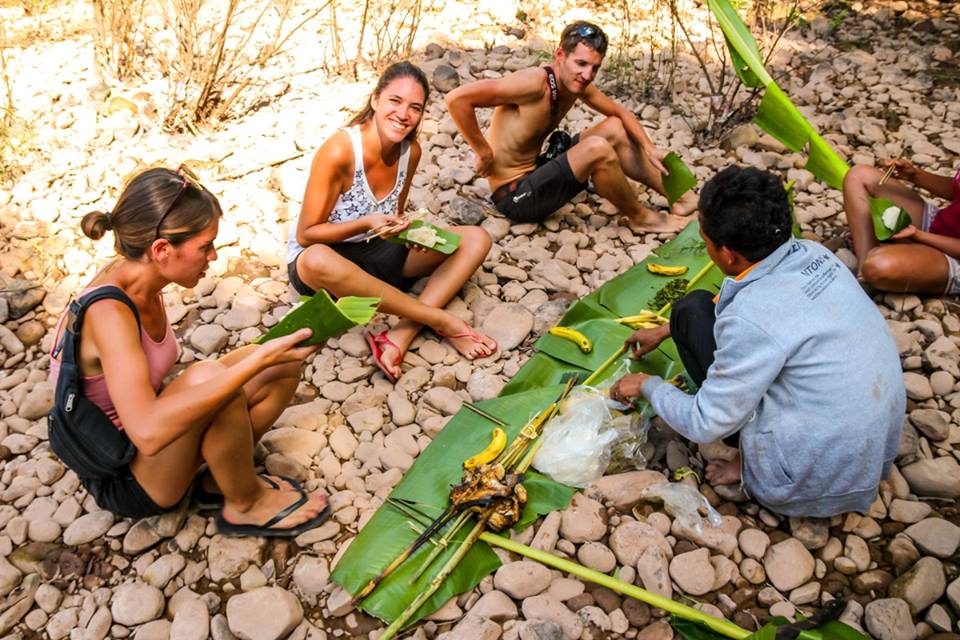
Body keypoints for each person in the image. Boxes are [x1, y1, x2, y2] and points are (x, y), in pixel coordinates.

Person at [609, 166, 905, 517]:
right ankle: (760, 457)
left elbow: (704, 423)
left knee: (702, 333)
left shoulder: (750, 318)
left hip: (803, 485)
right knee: (693, 310)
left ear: (728, 254)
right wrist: (665, 330)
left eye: (705, 242)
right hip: (867, 461)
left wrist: (647, 385)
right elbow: (774, 314)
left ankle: (752, 469)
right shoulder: (816, 255)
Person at [50, 166, 330, 536]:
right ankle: (246, 504)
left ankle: (220, 479)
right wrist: (253, 361)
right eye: (205, 246)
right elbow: (148, 432)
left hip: (148, 442)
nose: (213, 256)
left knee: (275, 366)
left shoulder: (137, 272)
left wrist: (265, 355)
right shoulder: (110, 314)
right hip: (127, 475)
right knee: (221, 378)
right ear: (162, 249)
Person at [288, 61, 497, 381]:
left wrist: (407, 233)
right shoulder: (341, 150)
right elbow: (306, 235)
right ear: (375, 100)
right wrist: (365, 223)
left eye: (415, 108)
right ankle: (437, 319)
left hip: (375, 251)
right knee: (316, 259)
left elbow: (393, 217)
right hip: (327, 262)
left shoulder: (410, 151)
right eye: (395, 101)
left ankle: (400, 334)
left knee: (476, 238)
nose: (404, 114)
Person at [444, 21, 697, 233]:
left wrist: (649, 148)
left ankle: (681, 199)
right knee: (597, 148)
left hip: (536, 170)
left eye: (594, 68)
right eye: (581, 64)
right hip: (514, 197)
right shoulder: (532, 84)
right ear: (560, 55)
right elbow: (457, 99)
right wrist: (483, 151)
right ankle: (642, 218)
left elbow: (620, 113)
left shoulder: (575, 84)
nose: (587, 75)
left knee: (614, 128)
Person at [843, 159, 960, 293]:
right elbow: (956, 188)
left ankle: (893, 256)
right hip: (940, 224)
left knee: (878, 267)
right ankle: (863, 275)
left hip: (955, 256)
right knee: (859, 175)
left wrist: (919, 236)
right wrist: (914, 175)